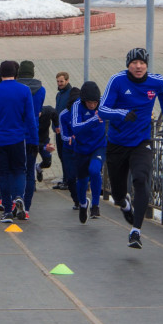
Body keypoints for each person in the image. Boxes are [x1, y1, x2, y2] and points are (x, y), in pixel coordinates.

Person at [98, 48, 163, 249]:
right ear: (128, 65)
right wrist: (121, 113)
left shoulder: (156, 82)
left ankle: (136, 231)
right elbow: (102, 110)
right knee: (118, 193)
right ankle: (124, 203)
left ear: (147, 65)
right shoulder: (117, 81)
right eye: (134, 63)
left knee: (141, 178)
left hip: (141, 141)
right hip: (117, 143)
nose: (138, 66)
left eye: (142, 63)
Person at [0, 60, 37, 223]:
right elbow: (30, 118)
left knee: (3, 174)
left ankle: (7, 210)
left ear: (1, 72)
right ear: (16, 73)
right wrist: (34, 140)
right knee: (19, 171)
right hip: (18, 139)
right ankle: (19, 197)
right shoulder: (24, 90)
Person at [71, 82, 107, 223]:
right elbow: (75, 127)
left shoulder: (103, 103)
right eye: (89, 103)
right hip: (81, 147)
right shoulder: (77, 106)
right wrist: (93, 120)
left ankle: (96, 205)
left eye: (95, 102)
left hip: (98, 146)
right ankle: (83, 204)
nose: (92, 105)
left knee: (94, 170)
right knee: (82, 180)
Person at [17, 60, 46, 215]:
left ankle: (15, 201)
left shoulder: (17, 88)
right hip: (32, 133)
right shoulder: (42, 90)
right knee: (29, 172)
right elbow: (39, 111)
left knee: (15, 171)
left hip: (17, 134)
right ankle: (26, 208)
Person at [58, 87, 81, 210]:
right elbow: (63, 135)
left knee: (82, 175)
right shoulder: (64, 115)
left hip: (83, 148)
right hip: (69, 148)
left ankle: (83, 199)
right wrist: (71, 138)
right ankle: (76, 200)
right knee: (71, 177)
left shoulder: (85, 112)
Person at [53, 72, 72, 189]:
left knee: (66, 156)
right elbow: (56, 112)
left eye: (61, 81)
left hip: (66, 131)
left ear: (67, 80)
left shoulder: (70, 94)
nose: (59, 84)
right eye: (58, 81)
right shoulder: (59, 95)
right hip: (58, 131)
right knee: (61, 156)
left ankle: (69, 180)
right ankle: (65, 179)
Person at [35, 105, 58, 182]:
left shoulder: (48, 110)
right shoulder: (27, 117)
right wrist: (44, 147)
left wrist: (57, 125)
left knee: (47, 162)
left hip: (44, 139)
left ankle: (38, 167)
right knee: (30, 163)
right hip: (32, 141)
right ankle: (31, 183)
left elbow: (55, 113)